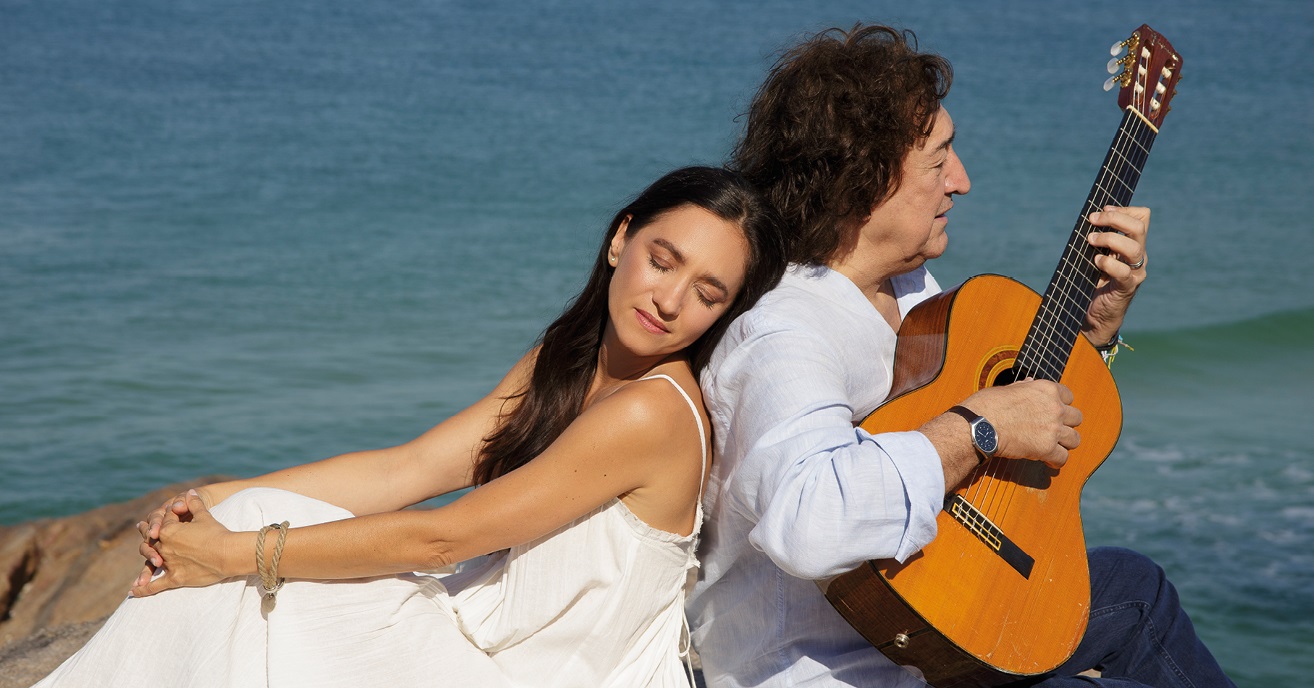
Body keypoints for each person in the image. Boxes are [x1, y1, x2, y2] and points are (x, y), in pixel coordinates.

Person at [33, 165, 786, 688]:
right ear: (622, 239)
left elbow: (444, 535)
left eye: (707, 292)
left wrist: (233, 552)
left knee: (251, 552)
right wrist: (218, 495)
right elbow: (410, 469)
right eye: (663, 260)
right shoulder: (569, 361)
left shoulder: (653, 410)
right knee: (251, 516)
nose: (669, 299)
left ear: (722, 314)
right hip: (474, 645)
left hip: (526, 673)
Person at [686, 25, 1235, 688]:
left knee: (1136, 590)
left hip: (938, 613)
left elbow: (1027, 420)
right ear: (865, 180)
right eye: (940, 158)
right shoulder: (783, 334)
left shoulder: (909, 290)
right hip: (833, 665)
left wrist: (1092, 335)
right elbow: (809, 522)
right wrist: (980, 425)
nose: (963, 181)